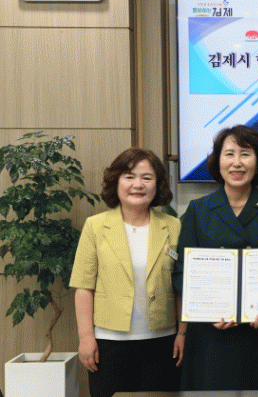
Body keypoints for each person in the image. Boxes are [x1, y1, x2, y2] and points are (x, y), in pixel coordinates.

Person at [172, 125, 258, 390]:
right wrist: (208, 309)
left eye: (245, 154)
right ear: (218, 161)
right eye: (229, 154)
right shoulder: (198, 210)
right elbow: (181, 273)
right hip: (211, 333)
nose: (237, 162)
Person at [71, 148, 183, 397]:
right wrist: (86, 337)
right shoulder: (95, 226)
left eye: (147, 178)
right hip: (108, 343)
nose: (138, 185)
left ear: (158, 184)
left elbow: (181, 287)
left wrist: (183, 333)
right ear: (116, 181)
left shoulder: (173, 226)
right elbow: (83, 287)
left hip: (163, 342)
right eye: (129, 177)